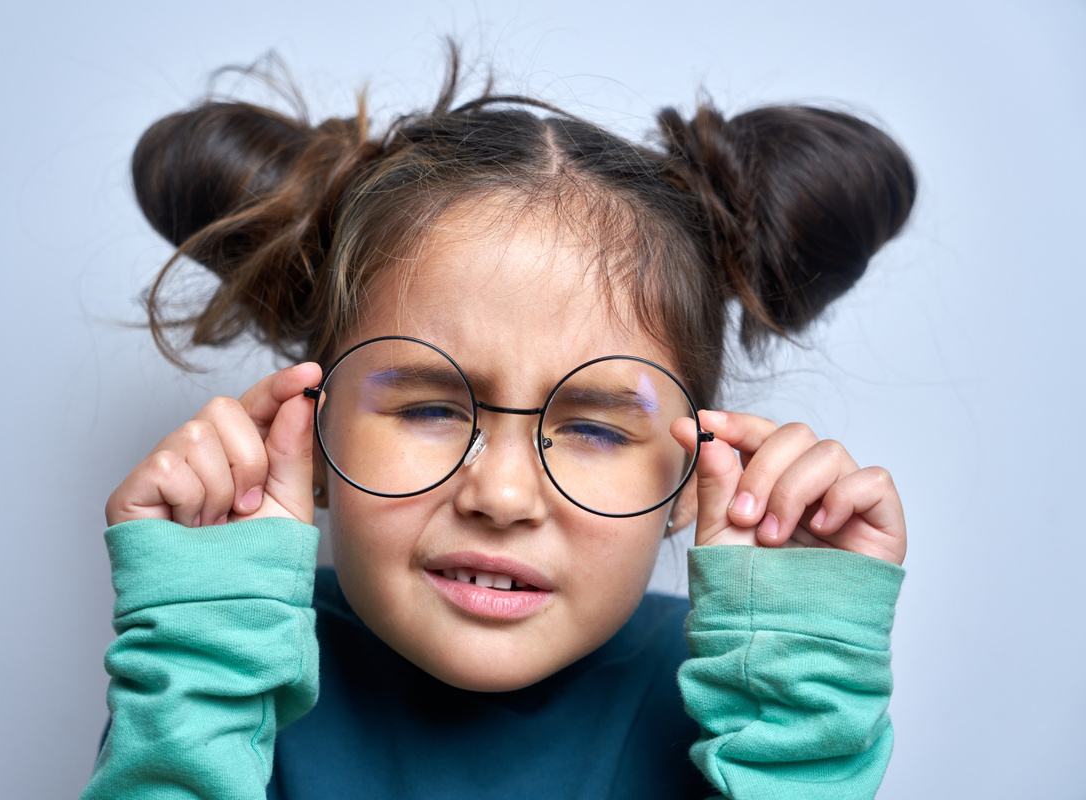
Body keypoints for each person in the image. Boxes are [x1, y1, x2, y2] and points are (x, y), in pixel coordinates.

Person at [81, 51, 913, 799]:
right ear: (313, 438)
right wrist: (196, 658)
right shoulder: (219, 663)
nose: (504, 494)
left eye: (595, 428)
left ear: (696, 477)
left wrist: (804, 703)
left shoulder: (757, 695)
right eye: (432, 408)